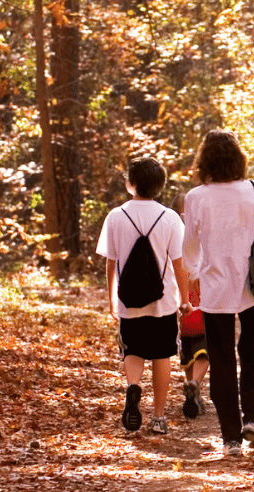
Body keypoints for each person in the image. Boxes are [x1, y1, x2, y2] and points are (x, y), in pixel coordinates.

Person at [182, 129, 254, 456]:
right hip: (253, 284)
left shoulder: (196, 197)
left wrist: (196, 273)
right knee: (253, 352)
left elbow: (189, 248)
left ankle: (230, 438)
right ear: (238, 158)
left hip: (214, 287)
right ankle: (253, 420)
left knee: (222, 359)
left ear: (205, 160)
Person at [97, 157, 192, 436]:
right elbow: (179, 263)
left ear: (131, 183)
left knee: (133, 349)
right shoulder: (171, 218)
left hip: (128, 299)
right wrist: (184, 299)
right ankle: (159, 416)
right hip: (163, 302)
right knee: (162, 355)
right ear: (160, 186)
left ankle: (133, 388)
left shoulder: (115, 216)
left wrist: (111, 298)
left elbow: (110, 262)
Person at [171, 194, 209, 419]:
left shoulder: (172, 239)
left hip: (181, 309)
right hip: (203, 308)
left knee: (187, 353)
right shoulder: (202, 238)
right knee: (204, 354)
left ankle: (190, 387)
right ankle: (195, 384)